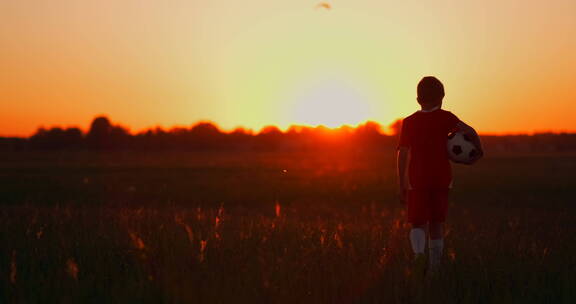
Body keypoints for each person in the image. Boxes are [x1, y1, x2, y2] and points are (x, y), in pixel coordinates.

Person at [396, 76, 483, 272]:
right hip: (442, 179)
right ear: (442, 97)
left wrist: (401, 182)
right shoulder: (447, 118)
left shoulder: (409, 122)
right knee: (436, 223)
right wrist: (478, 150)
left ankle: (419, 256)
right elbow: (470, 130)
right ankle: (435, 267)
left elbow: (402, 153)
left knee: (418, 222)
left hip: (417, 180)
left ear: (418, 100)